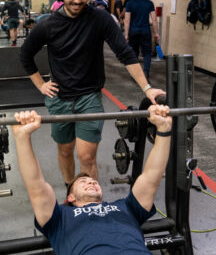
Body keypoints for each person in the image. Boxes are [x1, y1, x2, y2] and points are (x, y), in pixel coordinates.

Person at [19, 0, 165, 187]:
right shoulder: (48, 25)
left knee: (86, 157)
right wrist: (41, 85)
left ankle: (90, 202)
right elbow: (25, 55)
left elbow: (125, 53)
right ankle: (71, 191)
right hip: (59, 99)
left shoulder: (100, 19)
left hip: (89, 97)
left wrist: (147, 88)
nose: (78, 0)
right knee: (66, 152)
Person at [12, 104, 172, 255]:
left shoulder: (127, 207)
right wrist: (22, 138)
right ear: (70, 197)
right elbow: (36, 187)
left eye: (94, 182)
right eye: (83, 182)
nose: (91, 182)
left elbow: (152, 176)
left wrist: (164, 129)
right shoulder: (59, 219)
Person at [124, 0, 160, 81]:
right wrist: (157, 33)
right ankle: (146, 73)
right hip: (145, 31)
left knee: (134, 53)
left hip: (133, 31)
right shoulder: (149, 3)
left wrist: (126, 34)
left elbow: (127, 20)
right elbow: (154, 19)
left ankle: (135, 74)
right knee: (147, 53)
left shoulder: (130, 3)